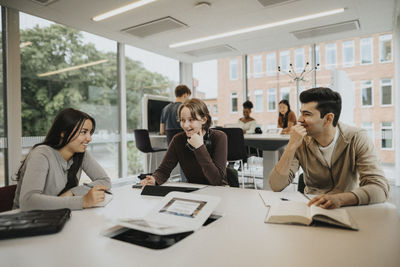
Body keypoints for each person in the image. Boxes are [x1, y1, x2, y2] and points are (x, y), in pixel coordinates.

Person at [269, 87, 389, 209]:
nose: (299, 119)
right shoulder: (300, 140)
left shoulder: (357, 138)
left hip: (347, 207)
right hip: (311, 207)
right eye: (301, 112)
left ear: (328, 119)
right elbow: (276, 185)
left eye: (307, 114)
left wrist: (339, 199)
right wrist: (291, 146)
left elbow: (379, 188)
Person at [13, 108, 111, 211]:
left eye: (90, 132)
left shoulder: (81, 153)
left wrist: (72, 192)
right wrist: (83, 201)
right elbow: (28, 201)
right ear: (63, 133)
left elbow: (105, 181)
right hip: (28, 220)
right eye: (83, 132)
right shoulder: (41, 154)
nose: (89, 138)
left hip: (58, 215)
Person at [142, 98, 228, 186]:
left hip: (218, 191)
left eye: (191, 120)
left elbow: (217, 181)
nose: (186, 125)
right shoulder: (178, 140)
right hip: (193, 190)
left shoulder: (219, 137)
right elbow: (163, 170)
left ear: (203, 120)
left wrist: (199, 147)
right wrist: (154, 179)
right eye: (182, 120)